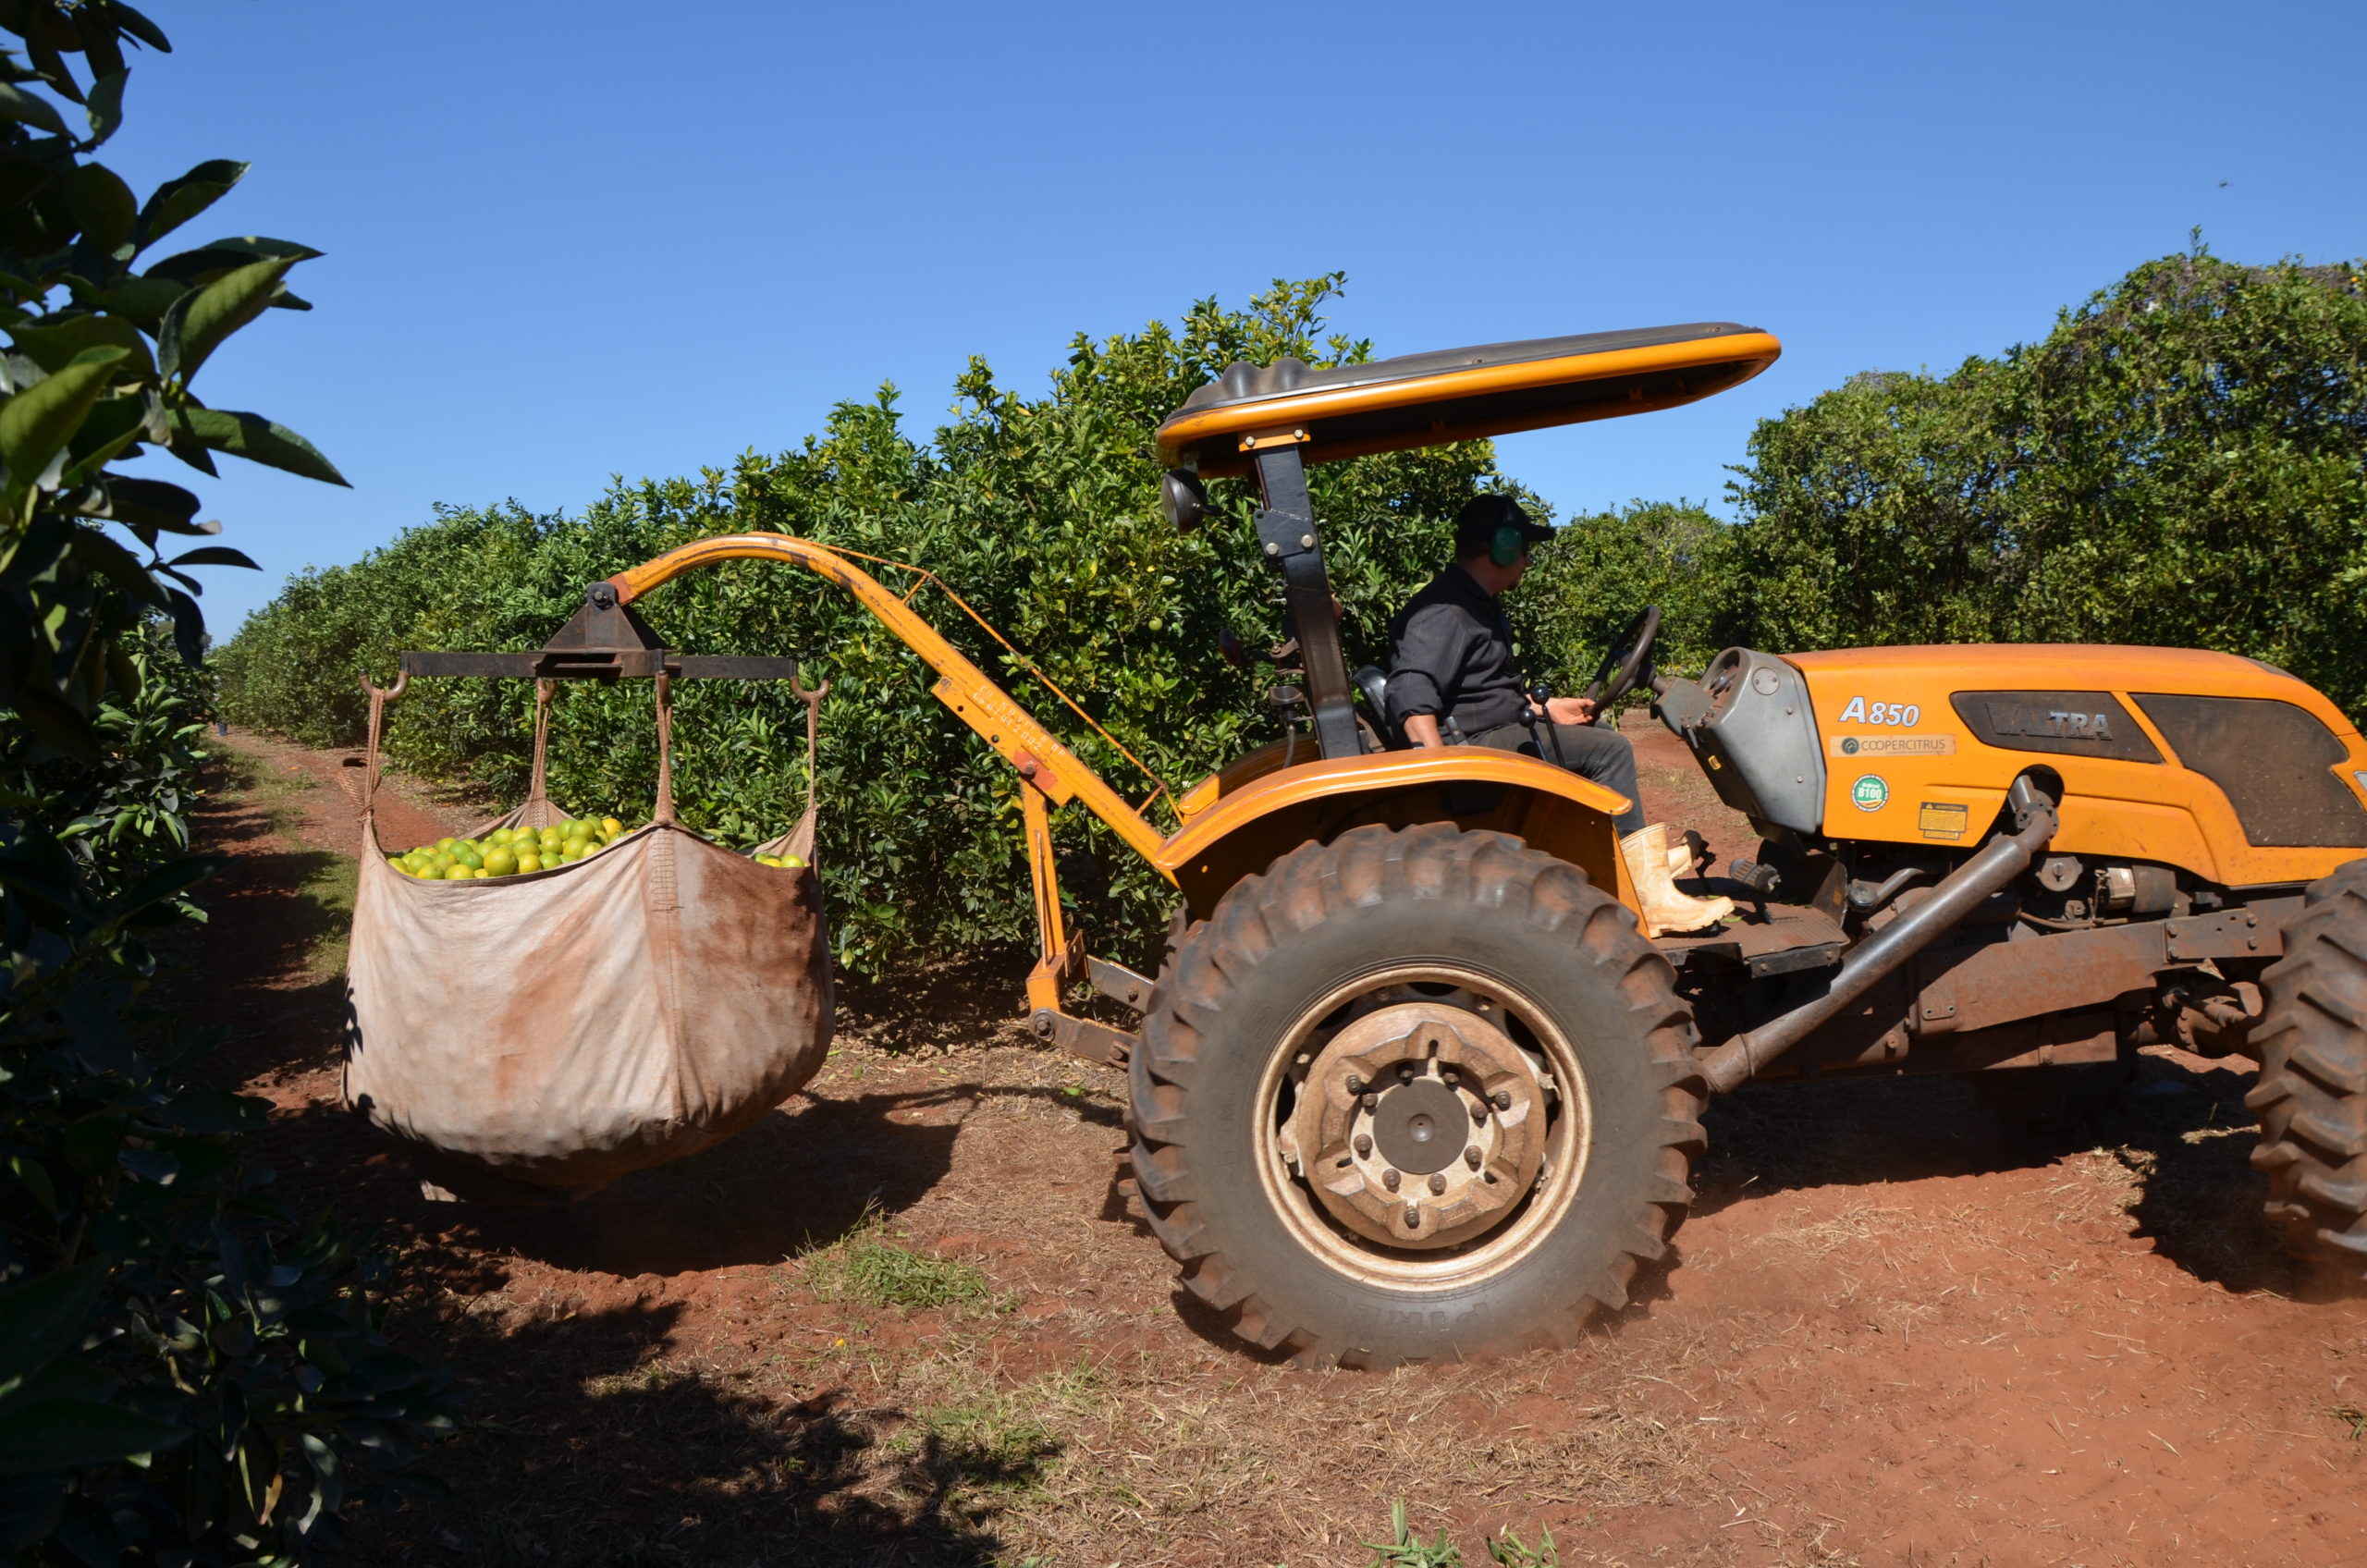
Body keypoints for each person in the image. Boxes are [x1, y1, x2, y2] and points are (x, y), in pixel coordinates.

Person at [1382, 495, 1733, 937]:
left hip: (1487, 730)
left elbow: (1481, 691)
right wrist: (1437, 767)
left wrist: (1544, 707)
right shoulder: (1445, 610)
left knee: (1595, 732)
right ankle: (1646, 899)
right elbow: (1411, 686)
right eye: (1524, 548)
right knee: (1610, 750)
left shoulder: (1475, 603)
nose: (1528, 560)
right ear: (1503, 547)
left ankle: (1628, 861)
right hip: (1468, 749)